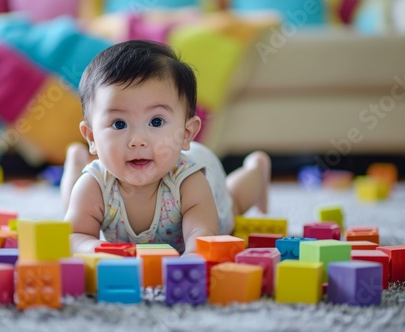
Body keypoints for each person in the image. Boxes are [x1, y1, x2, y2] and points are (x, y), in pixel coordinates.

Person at [61, 40, 270, 255]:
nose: (137, 140)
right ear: (92, 137)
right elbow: (75, 235)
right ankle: (77, 161)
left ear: (186, 133)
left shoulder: (189, 182)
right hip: (94, 182)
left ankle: (257, 169)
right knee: (75, 205)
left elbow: (202, 233)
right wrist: (97, 248)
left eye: (156, 122)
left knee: (234, 203)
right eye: (119, 124)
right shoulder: (95, 186)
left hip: (204, 170)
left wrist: (191, 259)